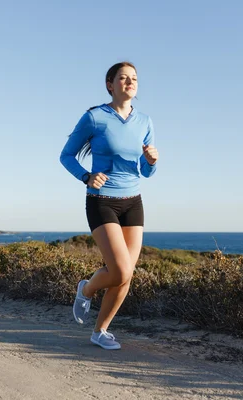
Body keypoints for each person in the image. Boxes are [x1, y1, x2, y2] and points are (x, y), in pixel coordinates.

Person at [59, 61, 159, 350]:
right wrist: (87, 176)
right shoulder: (94, 117)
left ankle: (100, 331)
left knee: (126, 273)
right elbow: (66, 156)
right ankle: (86, 289)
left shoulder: (145, 122)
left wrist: (151, 161)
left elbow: (146, 172)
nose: (130, 82)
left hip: (133, 202)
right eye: (123, 78)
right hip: (101, 201)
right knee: (120, 270)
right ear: (110, 84)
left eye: (134, 79)